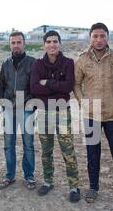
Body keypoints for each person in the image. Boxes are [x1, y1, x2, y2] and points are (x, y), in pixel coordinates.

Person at [74, 23, 113, 208]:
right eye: (95, 36)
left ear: (107, 37)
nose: (99, 40)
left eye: (102, 36)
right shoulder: (82, 59)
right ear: (90, 38)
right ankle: (93, 187)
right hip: (91, 115)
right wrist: (83, 102)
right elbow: (76, 84)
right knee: (93, 154)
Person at [30, 30, 80, 202]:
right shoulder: (37, 65)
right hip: (43, 112)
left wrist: (48, 83)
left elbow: (67, 87)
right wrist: (56, 87)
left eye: (55, 41)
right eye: (49, 42)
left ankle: (74, 186)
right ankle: (48, 181)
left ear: (60, 43)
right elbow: (34, 88)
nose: (52, 45)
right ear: (44, 45)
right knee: (46, 150)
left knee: (68, 150)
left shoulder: (68, 63)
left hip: (62, 112)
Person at [0, 32, 37, 190]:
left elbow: (35, 87)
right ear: (10, 44)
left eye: (19, 42)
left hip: (26, 108)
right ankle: (10, 175)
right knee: (8, 144)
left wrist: (32, 106)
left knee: (28, 144)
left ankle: (29, 176)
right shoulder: (5, 63)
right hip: (9, 109)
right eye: (13, 42)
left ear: (24, 43)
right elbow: (0, 85)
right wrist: (3, 104)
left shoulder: (33, 62)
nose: (16, 45)